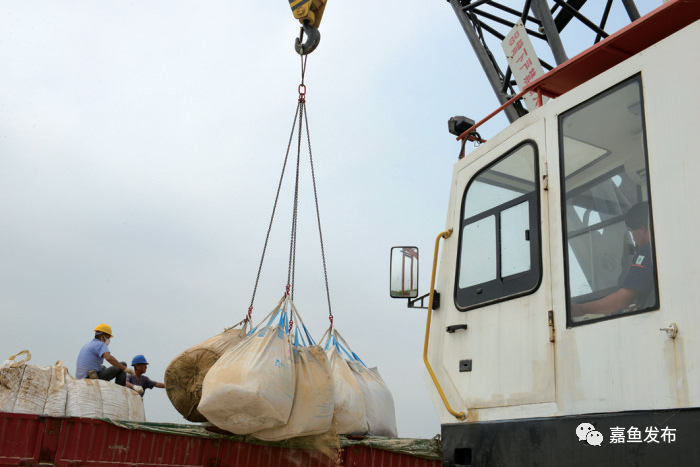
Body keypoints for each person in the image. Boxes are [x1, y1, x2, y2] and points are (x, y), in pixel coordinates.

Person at [572, 202, 655, 317]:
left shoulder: (645, 253)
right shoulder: (659, 249)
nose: (633, 237)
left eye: (631, 231)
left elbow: (622, 300)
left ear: (642, 229)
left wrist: (582, 309)